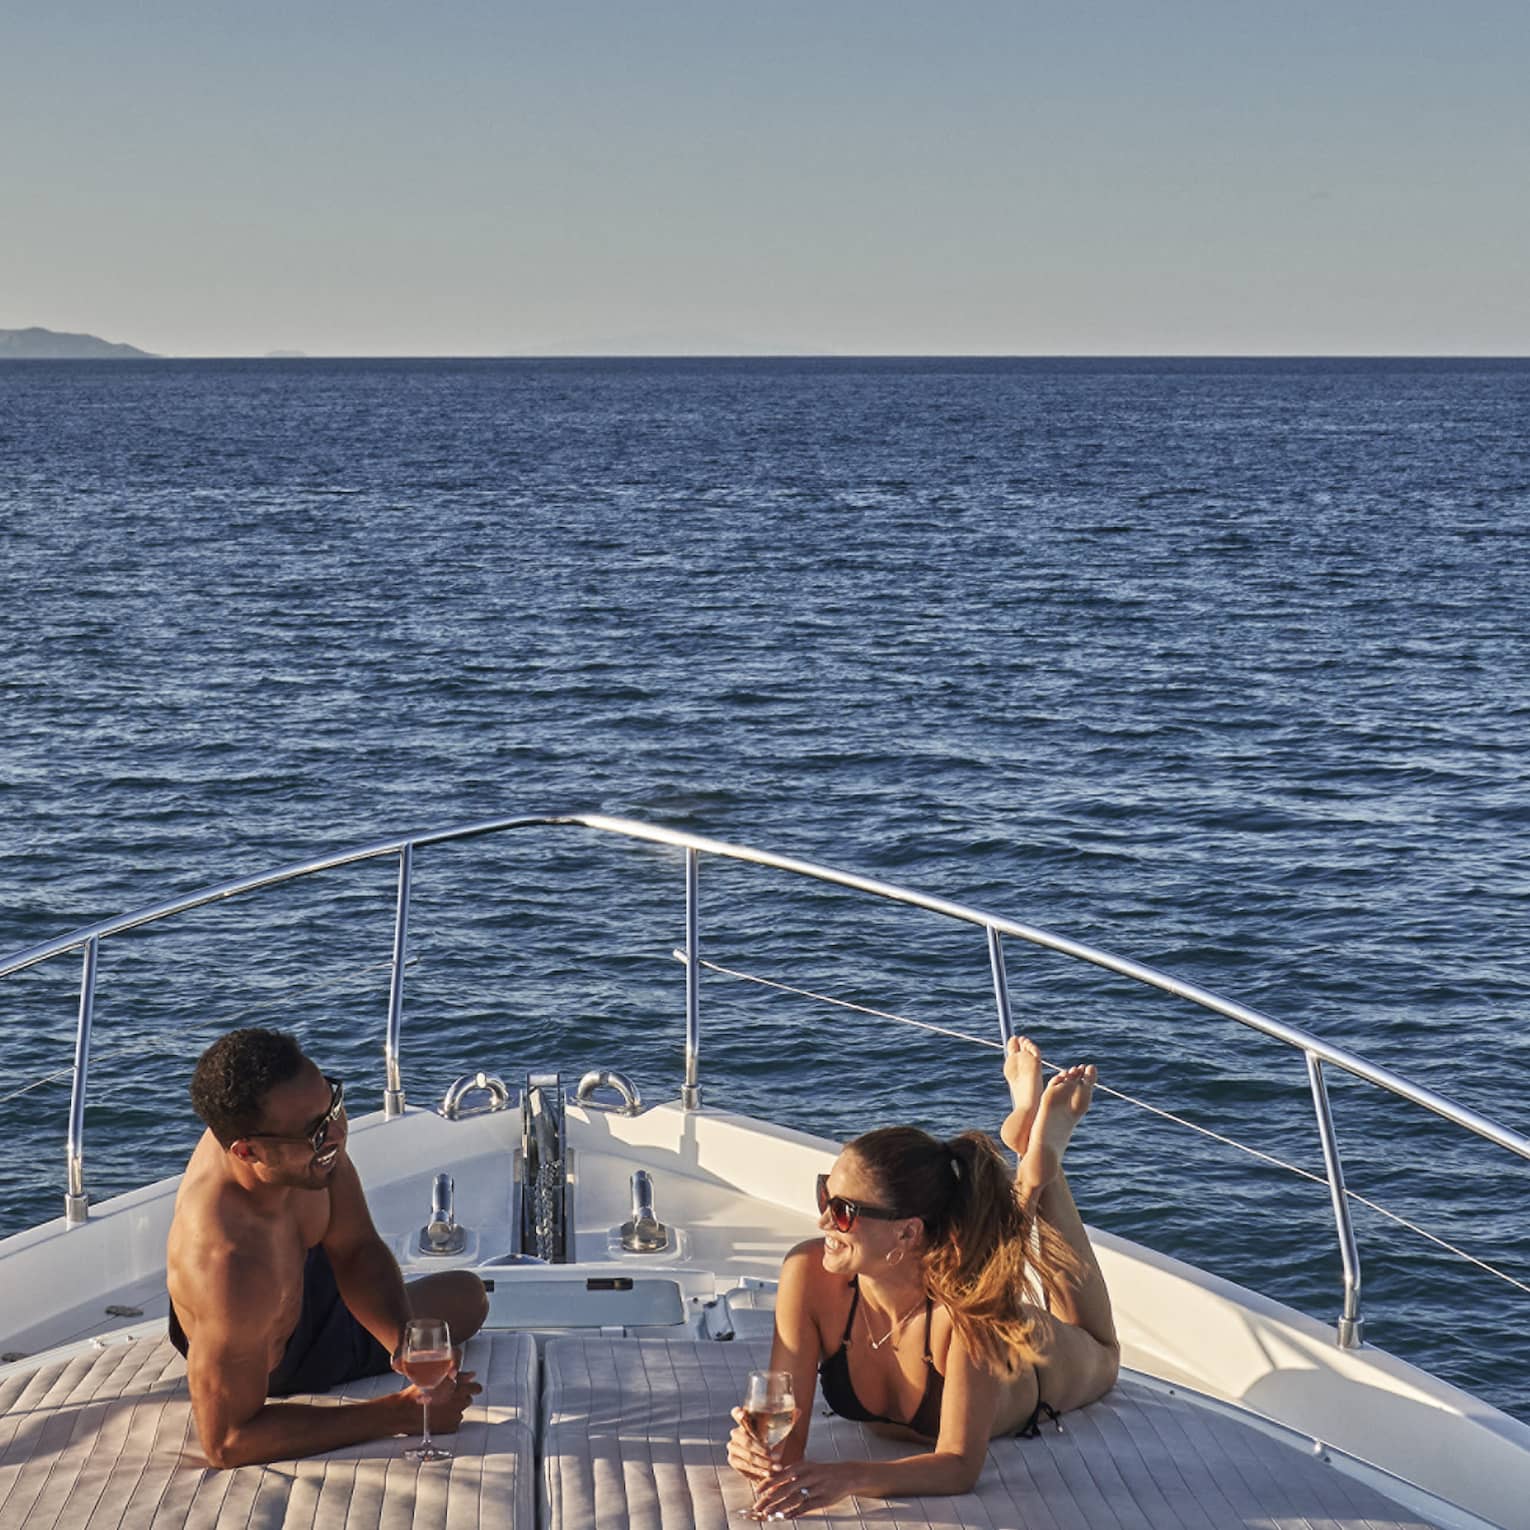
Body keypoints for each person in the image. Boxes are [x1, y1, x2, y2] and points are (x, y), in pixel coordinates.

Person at [727, 1036, 1118, 1519]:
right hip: (958, 1285)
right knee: (996, 1252)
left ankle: (1040, 1170)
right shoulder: (806, 1276)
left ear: (907, 1233)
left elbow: (958, 1464)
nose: (823, 1221)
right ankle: (1029, 1159)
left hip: (1034, 1370)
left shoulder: (967, 1308)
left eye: (844, 1212)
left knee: (1100, 1347)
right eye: (824, 1194)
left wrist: (849, 1476)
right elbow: (784, 1442)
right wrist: (753, 1453)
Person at [165, 1027, 489, 1467]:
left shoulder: (308, 1146)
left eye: (334, 1105)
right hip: (273, 1348)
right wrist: (400, 1413)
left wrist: (404, 1343)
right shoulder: (227, 1264)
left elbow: (355, 1247)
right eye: (316, 1131)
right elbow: (227, 1442)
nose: (336, 1132)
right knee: (450, 1315)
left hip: (300, 1275)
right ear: (247, 1151)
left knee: (467, 1299)